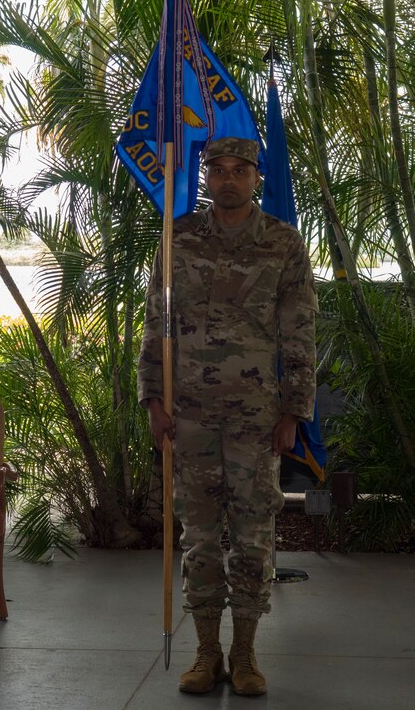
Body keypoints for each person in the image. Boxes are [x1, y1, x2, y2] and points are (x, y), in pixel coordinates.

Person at [138, 136, 317, 696]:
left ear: (256, 177)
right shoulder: (178, 239)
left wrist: (294, 411)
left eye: (241, 170)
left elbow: (300, 331)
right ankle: (206, 652)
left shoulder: (283, 243)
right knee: (199, 538)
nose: (229, 180)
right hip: (189, 414)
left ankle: (244, 653)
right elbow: (156, 323)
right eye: (219, 170)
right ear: (206, 176)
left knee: (253, 536)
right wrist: (153, 398)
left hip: (255, 419)